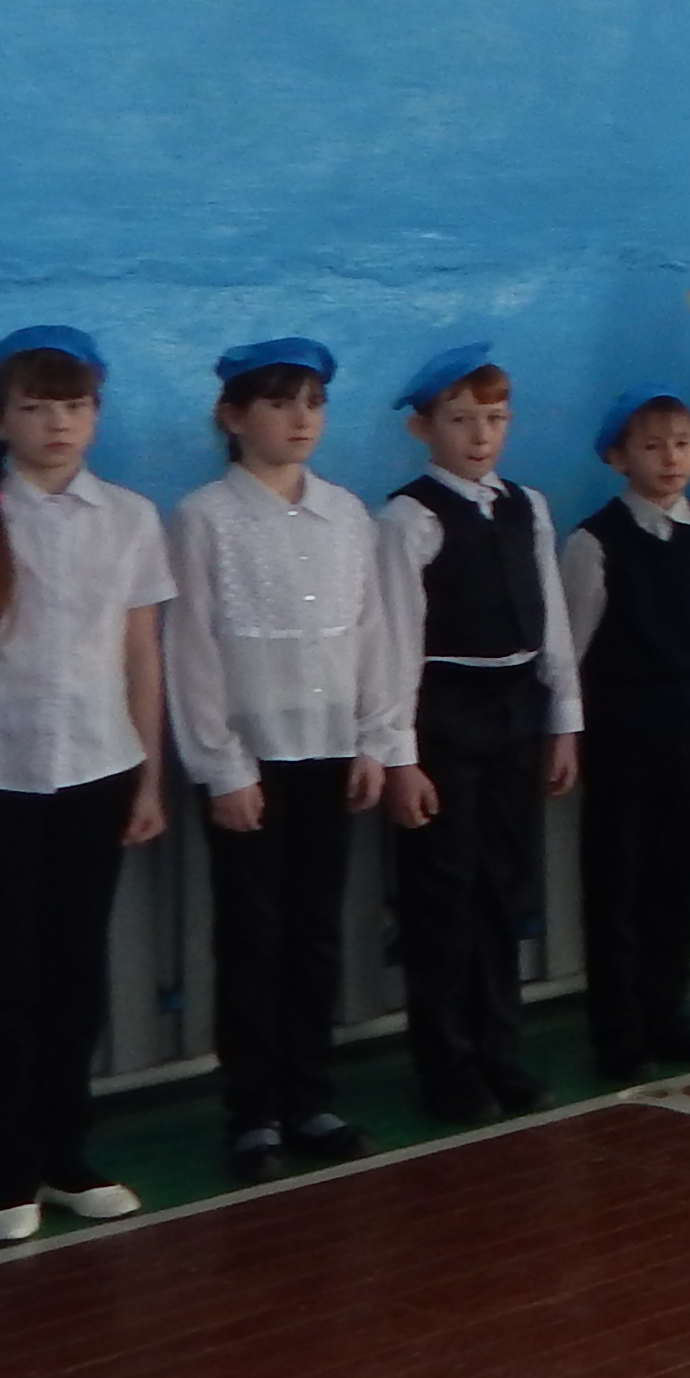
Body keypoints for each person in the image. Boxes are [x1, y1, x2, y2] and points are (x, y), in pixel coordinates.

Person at [0, 326, 167, 1245]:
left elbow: (142, 656)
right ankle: (9, 1172)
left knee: (75, 970)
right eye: (36, 407)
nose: (59, 424)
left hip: (99, 770)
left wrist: (149, 779)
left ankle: (67, 1156)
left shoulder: (130, 517)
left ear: (95, 415)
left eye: (76, 406)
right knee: (5, 977)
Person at [167, 339, 400, 1183]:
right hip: (252, 763)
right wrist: (222, 766)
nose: (300, 419)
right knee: (252, 939)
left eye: (313, 403)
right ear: (233, 418)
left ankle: (310, 1098)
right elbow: (191, 648)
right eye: (278, 403)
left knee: (315, 934)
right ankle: (253, 1113)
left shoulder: (346, 514)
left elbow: (371, 633)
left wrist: (375, 739)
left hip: (330, 753)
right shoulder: (204, 517)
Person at [376, 346, 582, 1122]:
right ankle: (447, 1065)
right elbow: (396, 644)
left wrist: (564, 721)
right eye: (461, 420)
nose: (480, 435)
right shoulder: (408, 519)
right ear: (423, 428)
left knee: (504, 888)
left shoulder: (527, 506)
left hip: (516, 711)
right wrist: (401, 756)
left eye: (494, 419)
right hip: (445, 717)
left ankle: (499, 1050)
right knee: (443, 895)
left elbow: (550, 621)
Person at [560, 390, 690, 1074]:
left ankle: (667, 1011)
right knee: (618, 879)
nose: (670, 458)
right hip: (620, 730)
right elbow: (572, 645)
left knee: (678, 876)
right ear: (618, 458)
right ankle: (618, 1029)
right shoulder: (594, 541)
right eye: (652, 446)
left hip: (687, 721)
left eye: (682, 443)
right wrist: (570, 731)